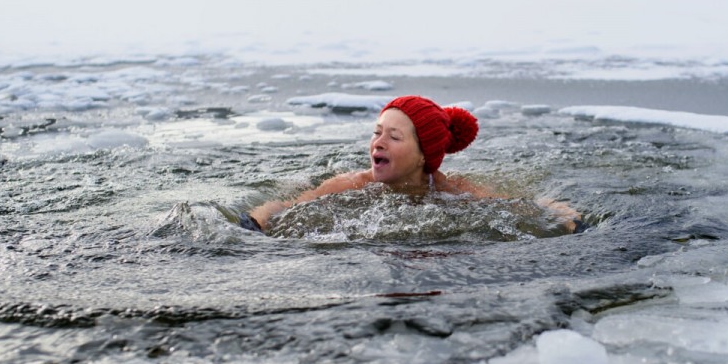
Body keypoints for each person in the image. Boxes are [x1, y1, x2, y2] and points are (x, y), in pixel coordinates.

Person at [243, 95, 582, 233]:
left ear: (424, 155)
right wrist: (255, 223)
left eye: (394, 136)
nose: (378, 142)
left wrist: (559, 214)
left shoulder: (449, 189)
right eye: (377, 133)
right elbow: (285, 207)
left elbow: (514, 206)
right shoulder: (350, 184)